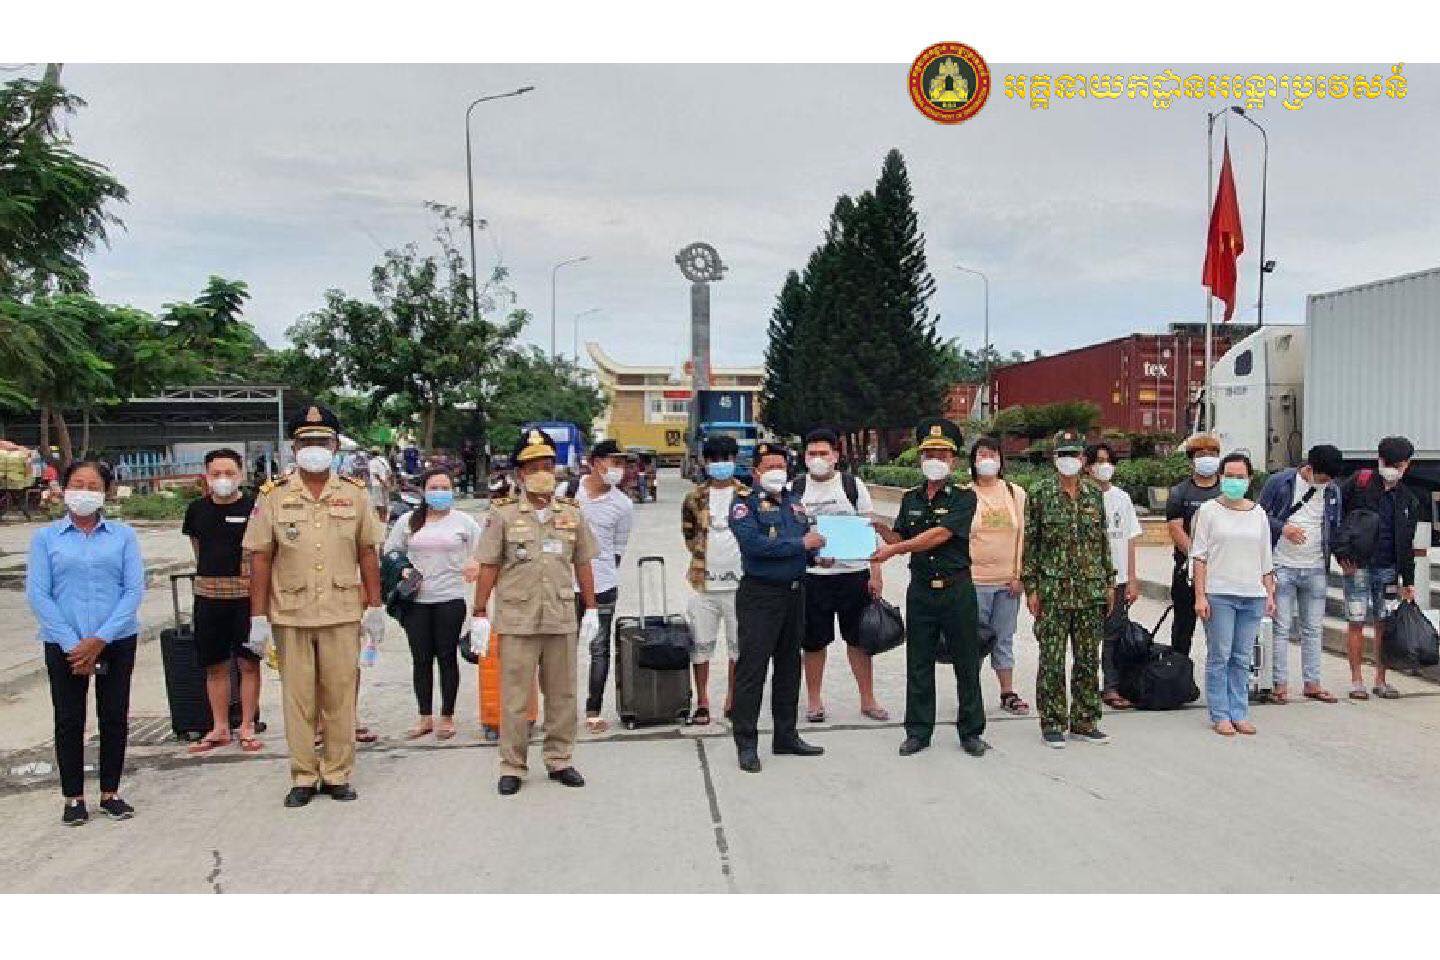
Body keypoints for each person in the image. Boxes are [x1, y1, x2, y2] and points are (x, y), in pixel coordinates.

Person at [243, 404, 386, 808]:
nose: (315, 448)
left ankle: (338, 773)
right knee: (298, 699)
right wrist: (257, 616)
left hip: (341, 610)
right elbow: (260, 557)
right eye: (306, 442)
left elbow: (367, 552)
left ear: (336, 446)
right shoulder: (274, 496)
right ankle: (304, 775)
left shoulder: (354, 494)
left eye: (322, 441)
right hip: (291, 613)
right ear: (294, 448)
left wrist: (375, 606)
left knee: (340, 695)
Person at [472, 428, 600, 796]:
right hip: (517, 619)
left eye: (547, 465)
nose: (542, 473)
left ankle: (559, 759)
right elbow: (488, 566)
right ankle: (512, 764)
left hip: (560, 616)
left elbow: (583, 563)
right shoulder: (503, 514)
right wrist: (478, 612)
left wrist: (591, 607)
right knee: (514, 697)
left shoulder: (571, 514)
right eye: (533, 467)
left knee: (562, 695)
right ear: (519, 474)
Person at [25, 460, 143, 825]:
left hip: (116, 638)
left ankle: (111, 792)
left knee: (114, 716)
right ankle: (73, 797)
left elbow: (133, 590)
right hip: (65, 643)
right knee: (69, 719)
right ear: (64, 488)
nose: (85, 492)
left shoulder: (123, 536)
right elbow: (38, 594)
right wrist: (72, 644)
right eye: (78, 484)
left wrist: (100, 639)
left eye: (93, 486)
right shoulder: (45, 538)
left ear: (107, 492)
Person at [872, 418, 988, 759]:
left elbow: (939, 535)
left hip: (956, 590)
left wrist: (896, 549)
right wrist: (878, 531)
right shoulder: (911, 498)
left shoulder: (964, 498)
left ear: (953, 459)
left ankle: (971, 732)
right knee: (918, 661)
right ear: (921, 458)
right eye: (928, 454)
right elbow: (901, 536)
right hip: (921, 591)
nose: (934, 460)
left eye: (941, 454)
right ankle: (918, 732)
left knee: (967, 662)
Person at [727, 441, 826, 773]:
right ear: (756, 471)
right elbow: (754, 545)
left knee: (789, 667)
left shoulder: (794, 502)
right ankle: (746, 743)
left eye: (780, 466)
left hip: (794, 593)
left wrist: (816, 556)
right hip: (760, 596)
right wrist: (801, 544)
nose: (776, 471)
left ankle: (786, 736)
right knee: (752, 670)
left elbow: (804, 542)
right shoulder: (744, 504)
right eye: (769, 466)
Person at [1021, 431, 1115, 749]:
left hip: (1089, 589)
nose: (1069, 460)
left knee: (1088, 658)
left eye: (1074, 454)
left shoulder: (1093, 494)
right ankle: (1052, 722)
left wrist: (1109, 582)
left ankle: (1085, 721)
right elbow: (1030, 543)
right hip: (1052, 590)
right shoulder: (1040, 493)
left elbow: (1102, 541)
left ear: (1083, 459)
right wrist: (1031, 587)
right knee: (1052, 659)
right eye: (1063, 454)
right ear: (1054, 458)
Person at [794, 428, 888, 723]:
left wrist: (876, 573)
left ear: (836, 455)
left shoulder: (852, 485)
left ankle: (868, 699)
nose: (818, 458)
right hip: (813, 576)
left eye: (824, 453)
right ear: (804, 457)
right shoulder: (795, 487)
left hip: (853, 574)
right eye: (812, 453)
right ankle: (814, 701)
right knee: (813, 642)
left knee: (859, 640)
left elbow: (870, 530)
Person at [384, 468, 483, 740]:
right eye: (434, 488)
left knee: (447, 657)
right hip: (416, 601)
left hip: (450, 598)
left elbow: (485, 551)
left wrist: (475, 563)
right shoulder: (408, 521)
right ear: (424, 491)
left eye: (445, 488)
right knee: (421, 659)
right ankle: (424, 717)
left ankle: (447, 716)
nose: (440, 493)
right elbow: (390, 552)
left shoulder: (464, 522)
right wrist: (403, 569)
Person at [181, 449, 262, 754]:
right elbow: (198, 549)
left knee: (248, 663)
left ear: (241, 475)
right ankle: (220, 726)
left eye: (229, 473)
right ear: (206, 475)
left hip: (246, 597)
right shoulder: (196, 510)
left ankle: (248, 725)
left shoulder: (254, 507)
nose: (223, 479)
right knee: (215, 664)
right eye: (216, 474)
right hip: (209, 597)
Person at [1191, 452, 1276, 736]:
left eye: (1240, 477)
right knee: (1220, 655)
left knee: (1242, 657)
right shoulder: (1208, 511)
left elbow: (1265, 558)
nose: (1234, 481)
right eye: (1229, 476)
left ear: (1249, 479)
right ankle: (1220, 714)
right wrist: (1200, 595)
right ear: (1220, 477)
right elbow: (1199, 556)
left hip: (1252, 594)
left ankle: (1239, 712)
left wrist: (1269, 593)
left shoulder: (1258, 513)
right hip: (1219, 594)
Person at [1337, 436, 1424, 701]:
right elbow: (1337, 517)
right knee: (1356, 621)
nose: (1394, 469)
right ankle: (1356, 680)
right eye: (1390, 463)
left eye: (1399, 465)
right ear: (1379, 460)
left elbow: (1407, 542)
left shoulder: (1408, 499)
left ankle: (1381, 679)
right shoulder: (1360, 483)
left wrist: (1408, 580)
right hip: (1358, 566)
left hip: (1389, 569)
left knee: (1384, 625)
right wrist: (1341, 554)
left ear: (1407, 465)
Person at [1256, 443, 1344, 704]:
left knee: (1313, 629)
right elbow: (1259, 516)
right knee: (1281, 627)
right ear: (1309, 468)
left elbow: (1334, 526)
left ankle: (1312, 683)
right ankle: (1279, 684)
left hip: (1316, 566)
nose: (1326, 483)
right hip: (1282, 564)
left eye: (1330, 479)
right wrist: (1283, 528)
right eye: (1323, 478)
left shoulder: (1333, 491)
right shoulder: (1280, 483)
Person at [565, 439, 634, 733]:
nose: (619, 469)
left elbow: (618, 548)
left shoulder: (623, 505)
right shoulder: (567, 492)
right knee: (561, 649)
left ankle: (593, 709)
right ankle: (561, 709)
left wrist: (599, 572)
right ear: (595, 463)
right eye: (613, 462)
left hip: (603, 584)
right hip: (565, 585)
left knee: (599, 648)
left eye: (622, 464)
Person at [681, 435, 743, 724]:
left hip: (740, 585)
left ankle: (733, 699)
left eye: (726, 458)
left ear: (734, 460)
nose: (720, 464)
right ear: (705, 462)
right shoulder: (694, 498)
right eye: (714, 459)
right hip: (704, 585)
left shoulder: (747, 496)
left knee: (737, 647)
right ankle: (703, 701)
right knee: (700, 645)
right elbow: (689, 534)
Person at [967, 435, 1029, 716]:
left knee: (1004, 639)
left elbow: (1024, 536)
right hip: (974, 582)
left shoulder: (1015, 493)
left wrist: (1020, 575)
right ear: (973, 461)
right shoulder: (964, 494)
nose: (988, 459)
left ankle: (1007, 692)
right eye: (982, 454)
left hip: (1008, 584)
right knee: (973, 641)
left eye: (993, 454)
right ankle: (970, 695)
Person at [1087, 442, 1142, 710]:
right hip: (1089, 580)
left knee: (1113, 636)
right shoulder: (1082, 496)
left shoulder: (1122, 498)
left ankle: (1111, 687)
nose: (1104, 466)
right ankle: (1085, 687)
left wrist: (1132, 579)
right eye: (1098, 461)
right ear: (1087, 466)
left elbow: (1130, 539)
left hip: (1118, 580)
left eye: (1108, 461)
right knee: (1087, 637)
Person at [1166, 432, 1225, 657]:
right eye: (1201, 454)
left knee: (1221, 631)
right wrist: (1197, 557)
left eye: (1212, 454)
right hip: (1187, 571)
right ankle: (1178, 670)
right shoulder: (1179, 492)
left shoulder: (1226, 490)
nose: (1207, 458)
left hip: (1222, 571)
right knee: (1183, 628)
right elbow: (1175, 528)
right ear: (1192, 460)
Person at [366, 446, 392, 524]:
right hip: (385, 483)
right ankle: (385, 519)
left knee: (379, 503)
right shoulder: (383, 460)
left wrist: (382, 482)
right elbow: (389, 472)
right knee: (385, 502)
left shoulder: (372, 462)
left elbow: (375, 474)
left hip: (377, 484)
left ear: (371, 453)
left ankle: (381, 520)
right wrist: (386, 482)